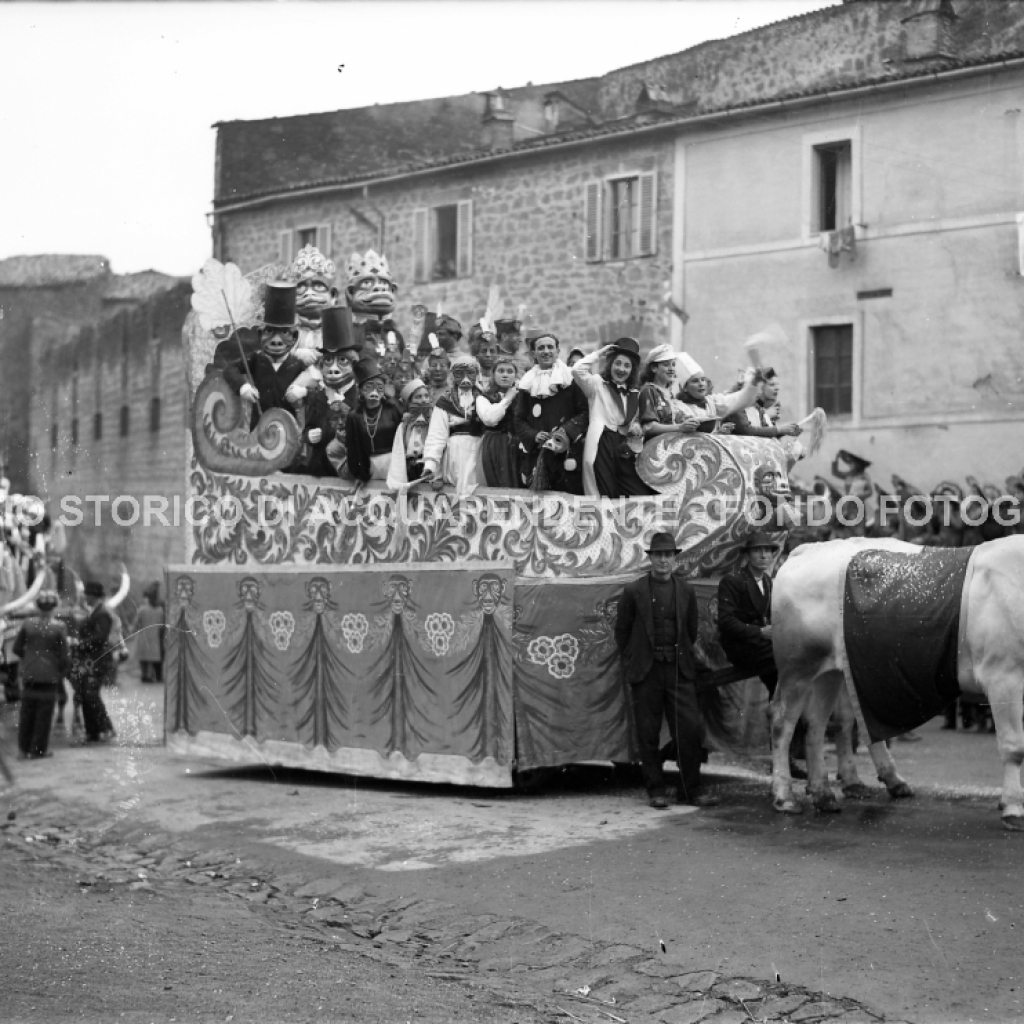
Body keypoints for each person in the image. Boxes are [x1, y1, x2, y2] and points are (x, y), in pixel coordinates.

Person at [615, 532, 721, 809]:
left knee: (689, 730)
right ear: (650, 558)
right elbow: (622, 633)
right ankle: (656, 790)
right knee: (648, 732)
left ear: (675, 558)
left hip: (678, 669)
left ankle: (691, 789)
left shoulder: (685, 591)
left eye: (668, 555)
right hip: (646, 671)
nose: (664, 560)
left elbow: (690, 630)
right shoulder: (634, 591)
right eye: (658, 555)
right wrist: (635, 660)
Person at [717, 532, 806, 777]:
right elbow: (726, 622)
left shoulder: (768, 582)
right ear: (747, 555)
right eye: (758, 551)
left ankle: (784, 757)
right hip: (742, 648)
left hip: (764, 648)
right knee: (790, 669)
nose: (764, 555)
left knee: (787, 684)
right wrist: (759, 632)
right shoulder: (733, 581)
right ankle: (783, 756)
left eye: (768, 551)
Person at [572, 339, 655, 499]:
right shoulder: (596, 385)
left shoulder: (634, 394)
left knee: (636, 493)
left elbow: (633, 420)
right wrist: (600, 353)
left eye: (627, 365)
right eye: (618, 363)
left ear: (632, 370)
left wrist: (636, 425)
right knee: (603, 493)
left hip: (623, 446)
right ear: (610, 364)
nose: (621, 369)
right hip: (601, 443)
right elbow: (577, 370)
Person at [514, 333, 588, 494]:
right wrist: (533, 435)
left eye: (550, 347)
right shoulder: (527, 383)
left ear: (558, 351)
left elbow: (584, 412)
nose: (546, 351)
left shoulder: (570, 379)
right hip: (537, 454)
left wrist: (564, 432)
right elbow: (519, 418)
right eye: (541, 348)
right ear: (534, 353)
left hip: (567, 453)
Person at [12, 588, 70, 759]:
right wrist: (60, 671)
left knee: (27, 712)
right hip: (49, 676)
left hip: (29, 674)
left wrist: (29, 659)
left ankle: (23, 750)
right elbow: (65, 656)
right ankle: (38, 750)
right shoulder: (59, 627)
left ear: (37, 606)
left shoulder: (27, 624)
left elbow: (16, 648)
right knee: (44, 714)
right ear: (54, 607)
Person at [421, 355, 486, 495]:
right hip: (454, 456)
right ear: (453, 376)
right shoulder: (445, 401)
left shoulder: (485, 398)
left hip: (480, 454)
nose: (465, 377)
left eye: (470, 373)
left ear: (477, 374)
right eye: (459, 373)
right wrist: (431, 466)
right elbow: (436, 435)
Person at [344, 358, 404, 483]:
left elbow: (403, 439)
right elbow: (353, 448)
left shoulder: (393, 409)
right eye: (369, 387)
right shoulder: (354, 416)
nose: (374, 391)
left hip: (394, 464)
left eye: (379, 386)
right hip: (369, 466)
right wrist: (359, 474)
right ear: (360, 390)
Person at [74, 581, 116, 744]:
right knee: (87, 695)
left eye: (86, 594)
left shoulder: (102, 614)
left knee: (90, 694)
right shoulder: (96, 612)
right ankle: (93, 732)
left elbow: (100, 637)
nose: (84, 596)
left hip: (97, 660)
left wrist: (80, 643)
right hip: (90, 660)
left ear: (93, 596)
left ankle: (105, 728)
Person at [677, 353, 759, 432]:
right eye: (695, 381)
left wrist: (753, 382)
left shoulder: (712, 401)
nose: (701, 384)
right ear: (685, 388)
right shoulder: (679, 407)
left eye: (703, 379)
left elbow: (736, 400)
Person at [476, 354, 521, 489]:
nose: (505, 375)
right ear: (493, 375)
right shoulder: (484, 398)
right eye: (500, 371)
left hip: (517, 445)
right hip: (495, 446)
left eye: (509, 371)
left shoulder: (523, 397)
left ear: (515, 375)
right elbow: (490, 419)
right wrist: (507, 399)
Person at [724, 367, 803, 440]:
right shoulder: (737, 406)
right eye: (761, 388)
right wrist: (779, 429)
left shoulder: (757, 408)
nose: (761, 392)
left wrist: (786, 430)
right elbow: (746, 430)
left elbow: (765, 431)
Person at [639, 345, 700, 439]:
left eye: (673, 364)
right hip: (654, 447)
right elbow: (648, 428)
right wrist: (679, 427)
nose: (671, 369)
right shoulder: (648, 391)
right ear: (654, 368)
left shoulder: (669, 393)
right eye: (666, 365)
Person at [386, 378, 434, 491]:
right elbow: (398, 452)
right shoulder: (404, 426)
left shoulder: (435, 421)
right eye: (418, 397)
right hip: (410, 472)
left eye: (426, 396)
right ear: (410, 401)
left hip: (429, 471)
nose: (423, 400)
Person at [131, 582, 165, 684]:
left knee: (143, 656)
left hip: (143, 635)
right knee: (151, 657)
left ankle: (144, 675)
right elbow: (161, 624)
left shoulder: (142, 609)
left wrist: (132, 630)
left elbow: (136, 622)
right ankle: (149, 675)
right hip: (154, 636)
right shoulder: (159, 610)